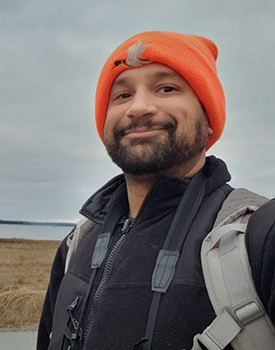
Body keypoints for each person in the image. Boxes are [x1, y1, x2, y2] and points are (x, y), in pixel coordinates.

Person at [36, 31, 275, 350]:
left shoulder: (260, 237)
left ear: (207, 119)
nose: (139, 107)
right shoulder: (75, 245)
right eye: (121, 95)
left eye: (166, 88)